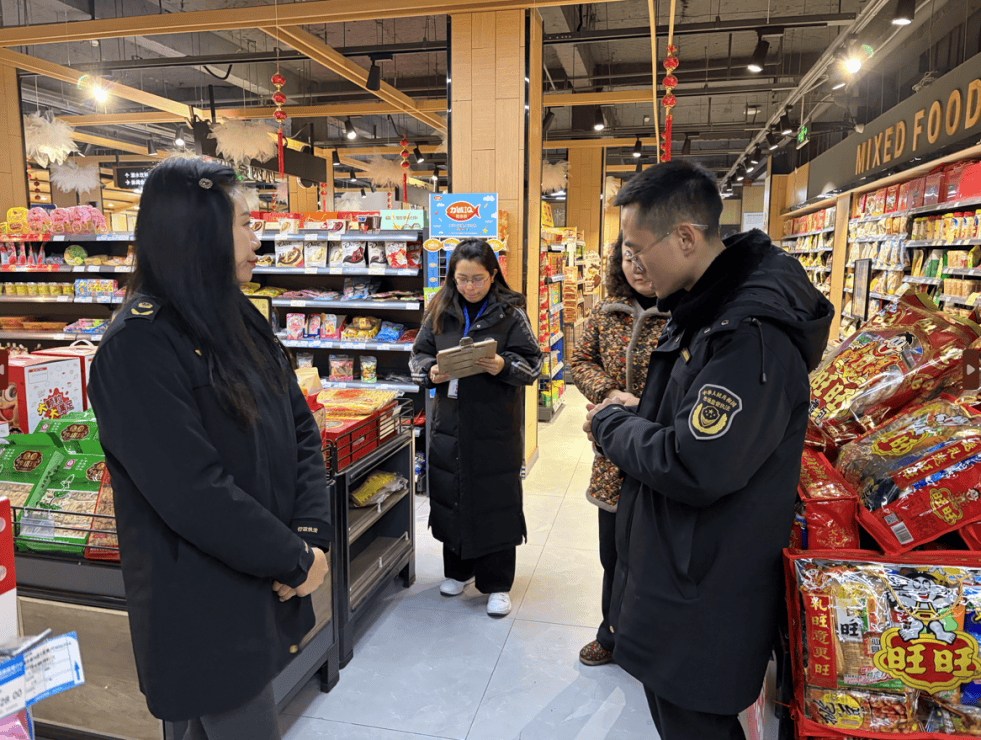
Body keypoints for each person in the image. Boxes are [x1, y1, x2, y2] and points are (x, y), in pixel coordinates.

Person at [584, 161, 833, 740]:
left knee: (695, 724)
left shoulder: (747, 334)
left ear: (685, 238)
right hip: (683, 575)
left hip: (704, 594)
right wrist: (640, 413)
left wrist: (612, 424)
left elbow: (694, 463)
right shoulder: (704, 307)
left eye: (637, 248)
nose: (632, 263)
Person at [88, 158, 331, 740]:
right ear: (198, 234)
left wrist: (310, 535)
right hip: (202, 608)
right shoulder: (137, 349)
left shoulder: (237, 315)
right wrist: (294, 558)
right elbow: (195, 493)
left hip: (262, 577)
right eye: (244, 224)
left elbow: (299, 425)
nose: (257, 239)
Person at [410, 239, 543, 617]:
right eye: (462, 279)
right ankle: (458, 571)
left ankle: (497, 583)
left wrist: (503, 366)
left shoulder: (511, 313)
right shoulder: (440, 309)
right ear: (452, 277)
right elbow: (418, 355)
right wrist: (431, 372)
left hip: (494, 425)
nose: (470, 287)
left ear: (493, 275)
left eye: (478, 279)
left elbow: (533, 363)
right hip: (449, 424)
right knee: (451, 494)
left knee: (495, 500)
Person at [568, 233, 667, 667]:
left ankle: (651, 642)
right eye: (629, 258)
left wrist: (641, 406)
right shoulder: (606, 311)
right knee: (613, 552)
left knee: (655, 555)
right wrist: (609, 394)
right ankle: (610, 634)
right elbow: (580, 360)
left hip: (664, 450)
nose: (638, 268)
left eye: (645, 257)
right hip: (612, 456)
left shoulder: (687, 315)